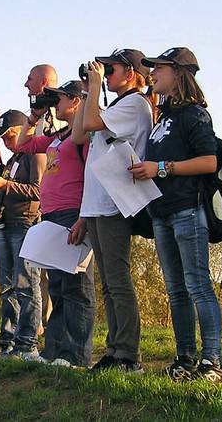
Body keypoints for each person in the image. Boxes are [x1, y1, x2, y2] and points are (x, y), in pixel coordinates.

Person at [130, 47, 222, 383]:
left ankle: (212, 362)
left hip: (187, 210)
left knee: (198, 285)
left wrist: (161, 168)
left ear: (178, 73)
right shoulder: (164, 117)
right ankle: (184, 360)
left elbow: (209, 161)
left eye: (160, 68)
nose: (152, 73)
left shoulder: (194, 115)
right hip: (162, 213)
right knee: (176, 290)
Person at [72, 49, 154, 373]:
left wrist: (94, 88)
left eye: (111, 69)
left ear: (132, 73)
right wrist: (86, 91)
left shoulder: (135, 104)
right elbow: (81, 132)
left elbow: (92, 122)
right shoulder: (118, 106)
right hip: (97, 203)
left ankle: (129, 355)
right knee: (108, 282)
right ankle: (115, 349)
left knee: (118, 280)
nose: (106, 75)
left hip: (114, 202)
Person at [17, 80, 94, 367]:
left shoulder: (83, 136)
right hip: (51, 216)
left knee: (77, 287)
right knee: (59, 287)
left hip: (72, 213)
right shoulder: (59, 136)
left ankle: (76, 354)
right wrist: (34, 117)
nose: (56, 104)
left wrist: (84, 216)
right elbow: (23, 144)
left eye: (60, 99)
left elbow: (92, 176)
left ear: (76, 101)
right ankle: (55, 350)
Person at [0, 110, 41, 359]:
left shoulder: (34, 154)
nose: (7, 143)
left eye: (10, 137)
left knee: (26, 284)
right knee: (7, 286)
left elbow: (39, 190)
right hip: (5, 224)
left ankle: (27, 343)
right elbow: (5, 190)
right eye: (3, 139)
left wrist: (3, 185)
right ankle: (8, 340)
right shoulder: (12, 160)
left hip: (25, 223)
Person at [24, 64, 59, 333]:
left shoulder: (61, 115)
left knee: (54, 271)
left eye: (30, 79)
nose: (25, 84)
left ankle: (51, 326)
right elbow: (24, 145)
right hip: (39, 201)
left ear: (45, 82)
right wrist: (33, 118)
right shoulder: (34, 118)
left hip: (56, 201)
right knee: (39, 266)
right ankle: (40, 327)